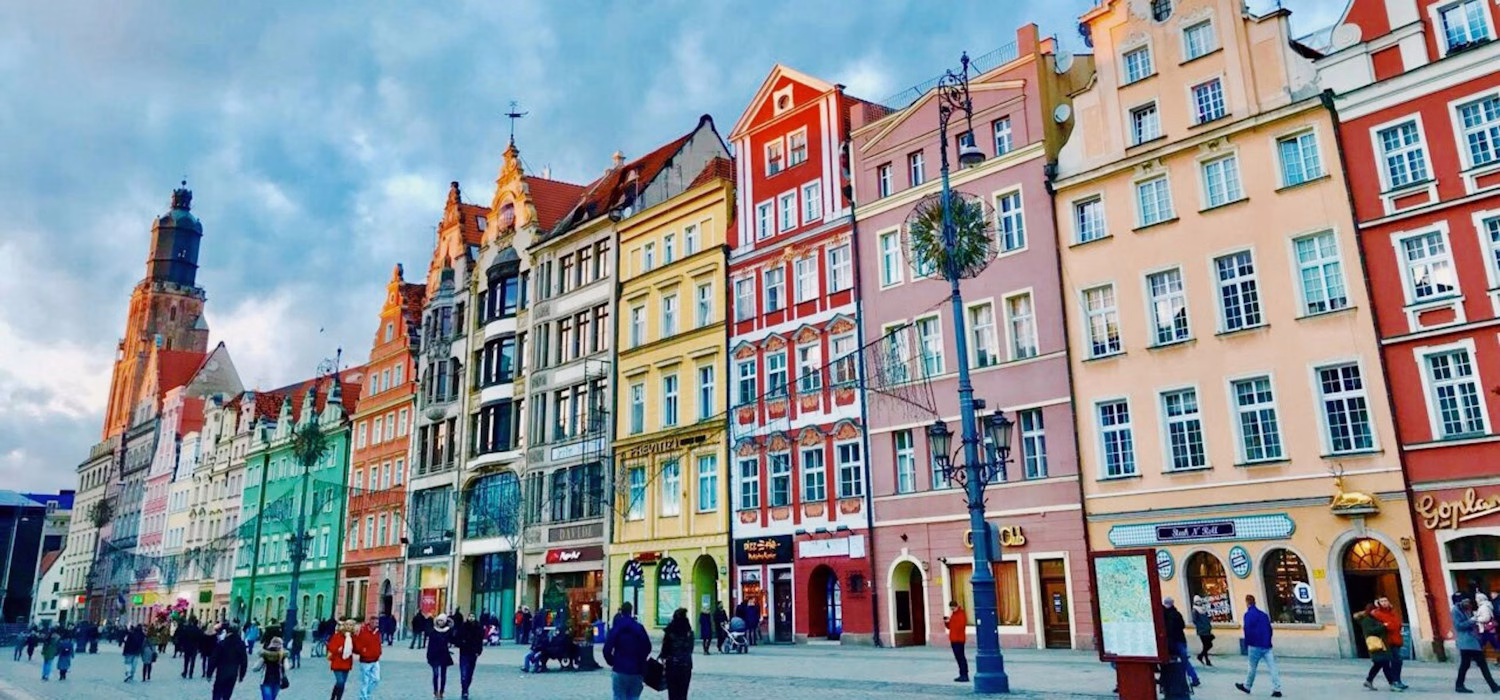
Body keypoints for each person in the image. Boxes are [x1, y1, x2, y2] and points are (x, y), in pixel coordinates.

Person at [1235, 594, 1282, 697]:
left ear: (1247, 603)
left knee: (1252, 667)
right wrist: (1268, 640)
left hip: (1254, 645)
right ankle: (1277, 689)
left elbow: (1247, 629)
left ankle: (1247, 686)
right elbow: (1270, 629)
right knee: (1272, 667)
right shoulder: (1263, 615)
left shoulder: (1248, 615)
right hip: (1266, 645)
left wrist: (1247, 643)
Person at [603, 603, 651, 700]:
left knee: (619, 696)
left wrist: (612, 661)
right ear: (631, 611)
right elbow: (648, 647)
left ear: (621, 612)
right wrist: (641, 660)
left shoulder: (616, 628)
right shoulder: (639, 628)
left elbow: (607, 649)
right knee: (634, 697)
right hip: (636, 670)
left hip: (619, 668)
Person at [1454, 596, 1500, 693]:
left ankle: (1459, 685)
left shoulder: (1465, 609)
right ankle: (1493, 686)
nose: (1468, 603)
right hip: (1466, 642)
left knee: (1467, 665)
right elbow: (1458, 626)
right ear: (1460, 601)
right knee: (1479, 665)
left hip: (1472, 642)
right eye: (1466, 601)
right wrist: (1472, 621)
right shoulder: (1455, 611)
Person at [1356, 603, 1397, 691]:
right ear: (1370, 611)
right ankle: (1392, 684)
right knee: (1385, 665)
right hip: (1377, 645)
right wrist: (1383, 626)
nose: (1376, 612)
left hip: (1381, 645)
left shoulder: (1373, 618)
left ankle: (1369, 680)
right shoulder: (1367, 620)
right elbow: (1370, 631)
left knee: (1378, 665)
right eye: (1375, 610)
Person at [1370, 596, 1408, 690]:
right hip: (1386, 641)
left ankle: (1397, 680)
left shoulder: (1392, 612)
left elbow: (1397, 624)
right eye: (1382, 601)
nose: (1384, 603)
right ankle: (1394, 682)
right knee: (1393, 661)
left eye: (1385, 600)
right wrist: (1386, 626)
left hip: (1396, 639)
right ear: (1378, 603)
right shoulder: (1377, 614)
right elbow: (1377, 627)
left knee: (1396, 661)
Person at [1162, 597, 1199, 687]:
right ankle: (1194, 678)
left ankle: (1173, 681)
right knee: (1185, 660)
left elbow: (1168, 629)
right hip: (1181, 640)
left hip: (1172, 642)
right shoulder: (1177, 613)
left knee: (1171, 662)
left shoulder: (1165, 614)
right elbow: (1182, 625)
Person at [661, 608, 695, 700]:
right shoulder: (689, 632)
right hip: (686, 665)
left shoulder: (670, 631)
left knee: (673, 693)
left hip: (672, 665)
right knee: (683, 693)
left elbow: (665, 650)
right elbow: (691, 649)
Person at [209, 625, 249, 700]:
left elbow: (213, 659)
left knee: (217, 691)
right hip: (233, 672)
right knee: (227, 693)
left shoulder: (222, 643)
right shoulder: (241, 644)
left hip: (221, 671)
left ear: (227, 632)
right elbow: (244, 661)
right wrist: (242, 675)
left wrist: (209, 673)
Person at [354, 617, 383, 700]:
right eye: (375, 623)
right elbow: (357, 642)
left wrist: (379, 652)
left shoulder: (377, 632)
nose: (377, 624)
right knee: (365, 681)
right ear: (370, 622)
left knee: (376, 679)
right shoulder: (363, 631)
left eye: (377, 623)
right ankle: (363, 697)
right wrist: (362, 651)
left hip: (375, 659)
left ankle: (368, 693)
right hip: (365, 660)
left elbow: (378, 643)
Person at [456, 613, 484, 700]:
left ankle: (466, 688)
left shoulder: (478, 627)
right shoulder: (463, 626)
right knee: (463, 673)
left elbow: (480, 641)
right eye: (470, 616)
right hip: (464, 652)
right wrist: (461, 644)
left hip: (473, 653)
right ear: (467, 617)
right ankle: (464, 691)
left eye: (473, 616)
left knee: (469, 673)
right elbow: (457, 638)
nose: (471, 618)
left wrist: (478, 651)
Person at [426, 613, 455, 700]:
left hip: (444, 655)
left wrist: (452, 627)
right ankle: (435, 691)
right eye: (439, 620)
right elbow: (430, 644)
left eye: (442, 620)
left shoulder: (448, 631)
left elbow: (453, 640)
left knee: (443, 675)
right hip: (434, 655)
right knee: (435, 674)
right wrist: (428, 655)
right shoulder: (433, 631)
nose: (440, 622)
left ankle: (441, 691)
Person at [328, 619, 356, 700]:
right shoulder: (337, 636)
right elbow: (331, 647)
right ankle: (334, 697)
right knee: (340, 681)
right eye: (347, 625)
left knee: (342, 683)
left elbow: (355, 648)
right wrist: (338, 650)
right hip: (337, 662)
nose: (349, 627)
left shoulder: (352, 637)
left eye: (351, 625)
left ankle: (338, 698)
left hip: (346, 662)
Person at [944, 600, 969, 683]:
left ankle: (964, 675)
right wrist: (947, 623)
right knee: (958, 657)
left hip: (959, 639)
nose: (952, 610)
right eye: (951, 608)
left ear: (957, 607)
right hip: (954, 639)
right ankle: (962, 674)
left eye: (953, 608)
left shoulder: (961, 614)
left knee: (961, 657)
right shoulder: (954, 614)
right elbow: (950, 627)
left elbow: (961, 626)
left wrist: (952, 623)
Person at [1191, 596, 1214, 666]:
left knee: (1206, 645)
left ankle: (1204, 658)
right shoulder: (1195, 610)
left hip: (1207, 629)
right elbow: (1194, 620)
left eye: (1199, 601)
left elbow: (1207, 617)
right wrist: (1201, 625)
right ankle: (1203, 658)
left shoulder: (1203, 609)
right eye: (1197, 601)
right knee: (1208, 645)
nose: (1199, 602)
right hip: (1202, 631)